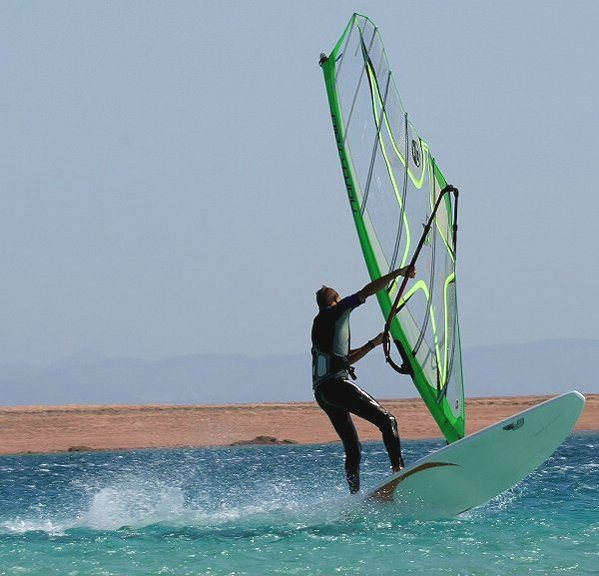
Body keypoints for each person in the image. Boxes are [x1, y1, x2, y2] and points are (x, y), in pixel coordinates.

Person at [311, 266, 415, 494]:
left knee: (353, 448)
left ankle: (354, 495)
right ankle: (399, 471)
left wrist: (374, 343)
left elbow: (345, 359)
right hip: (336, 386)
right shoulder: (336, 312)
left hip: (323, 393)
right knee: (388, 421)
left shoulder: (320, 324)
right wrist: (397, 273)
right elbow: (367, 291)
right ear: (337, 300)